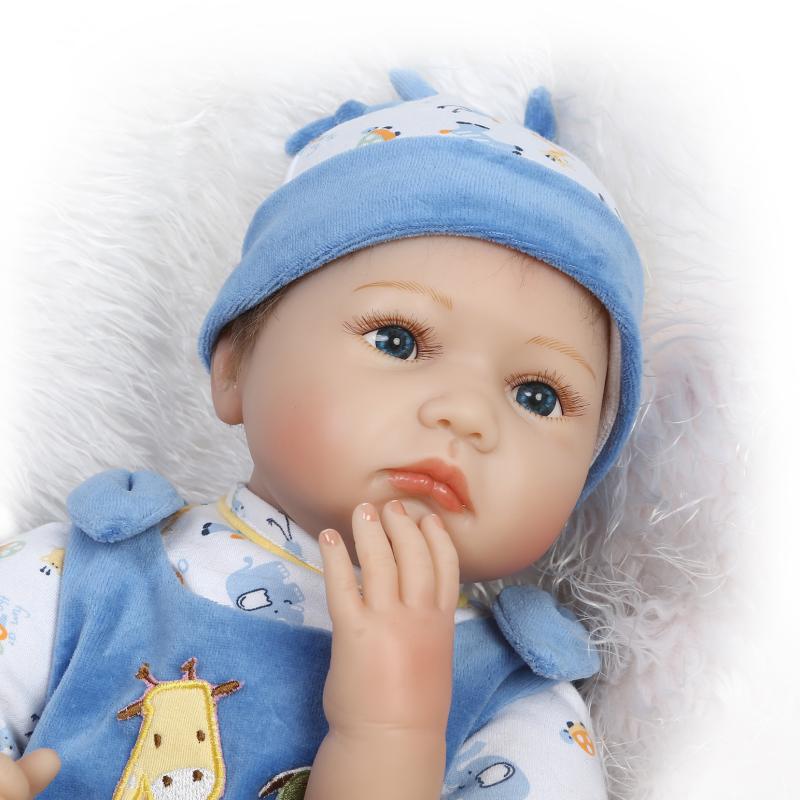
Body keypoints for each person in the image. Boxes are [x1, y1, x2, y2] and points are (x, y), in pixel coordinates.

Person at [0, 67, 643, 799]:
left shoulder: (519, 708)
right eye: (398, 340)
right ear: (235, 366)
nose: (467, 414)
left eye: (538, 395)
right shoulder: (73, 579)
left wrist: (393, 733)